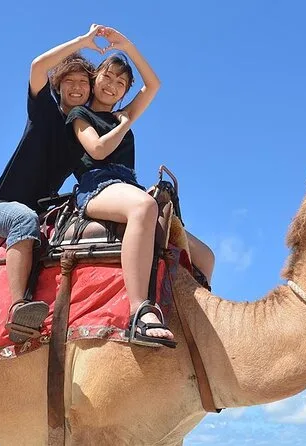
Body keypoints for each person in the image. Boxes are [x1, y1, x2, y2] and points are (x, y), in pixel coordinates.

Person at [66, 26, 214, 348]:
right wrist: (126, 122)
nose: (112, 85)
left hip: (127, 184)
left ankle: (193, 320)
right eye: (107, 77)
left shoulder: (123, 114)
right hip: (96, 184)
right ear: (95, 78)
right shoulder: (80, 114)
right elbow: (98, 151)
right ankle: (139, 310)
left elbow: (154, 85)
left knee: (205, 256)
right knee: (144, 206)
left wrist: (127, 46)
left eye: (121, 83)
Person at [0, 25, 106, 343]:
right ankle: (18, 306)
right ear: (58, 86)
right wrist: (83, 42)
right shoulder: (44, 112)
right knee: (23, 218)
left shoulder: (81, 135)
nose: (77, 87)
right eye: (70, 81)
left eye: (83, 83)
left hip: (41, 209)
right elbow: (37, 67)